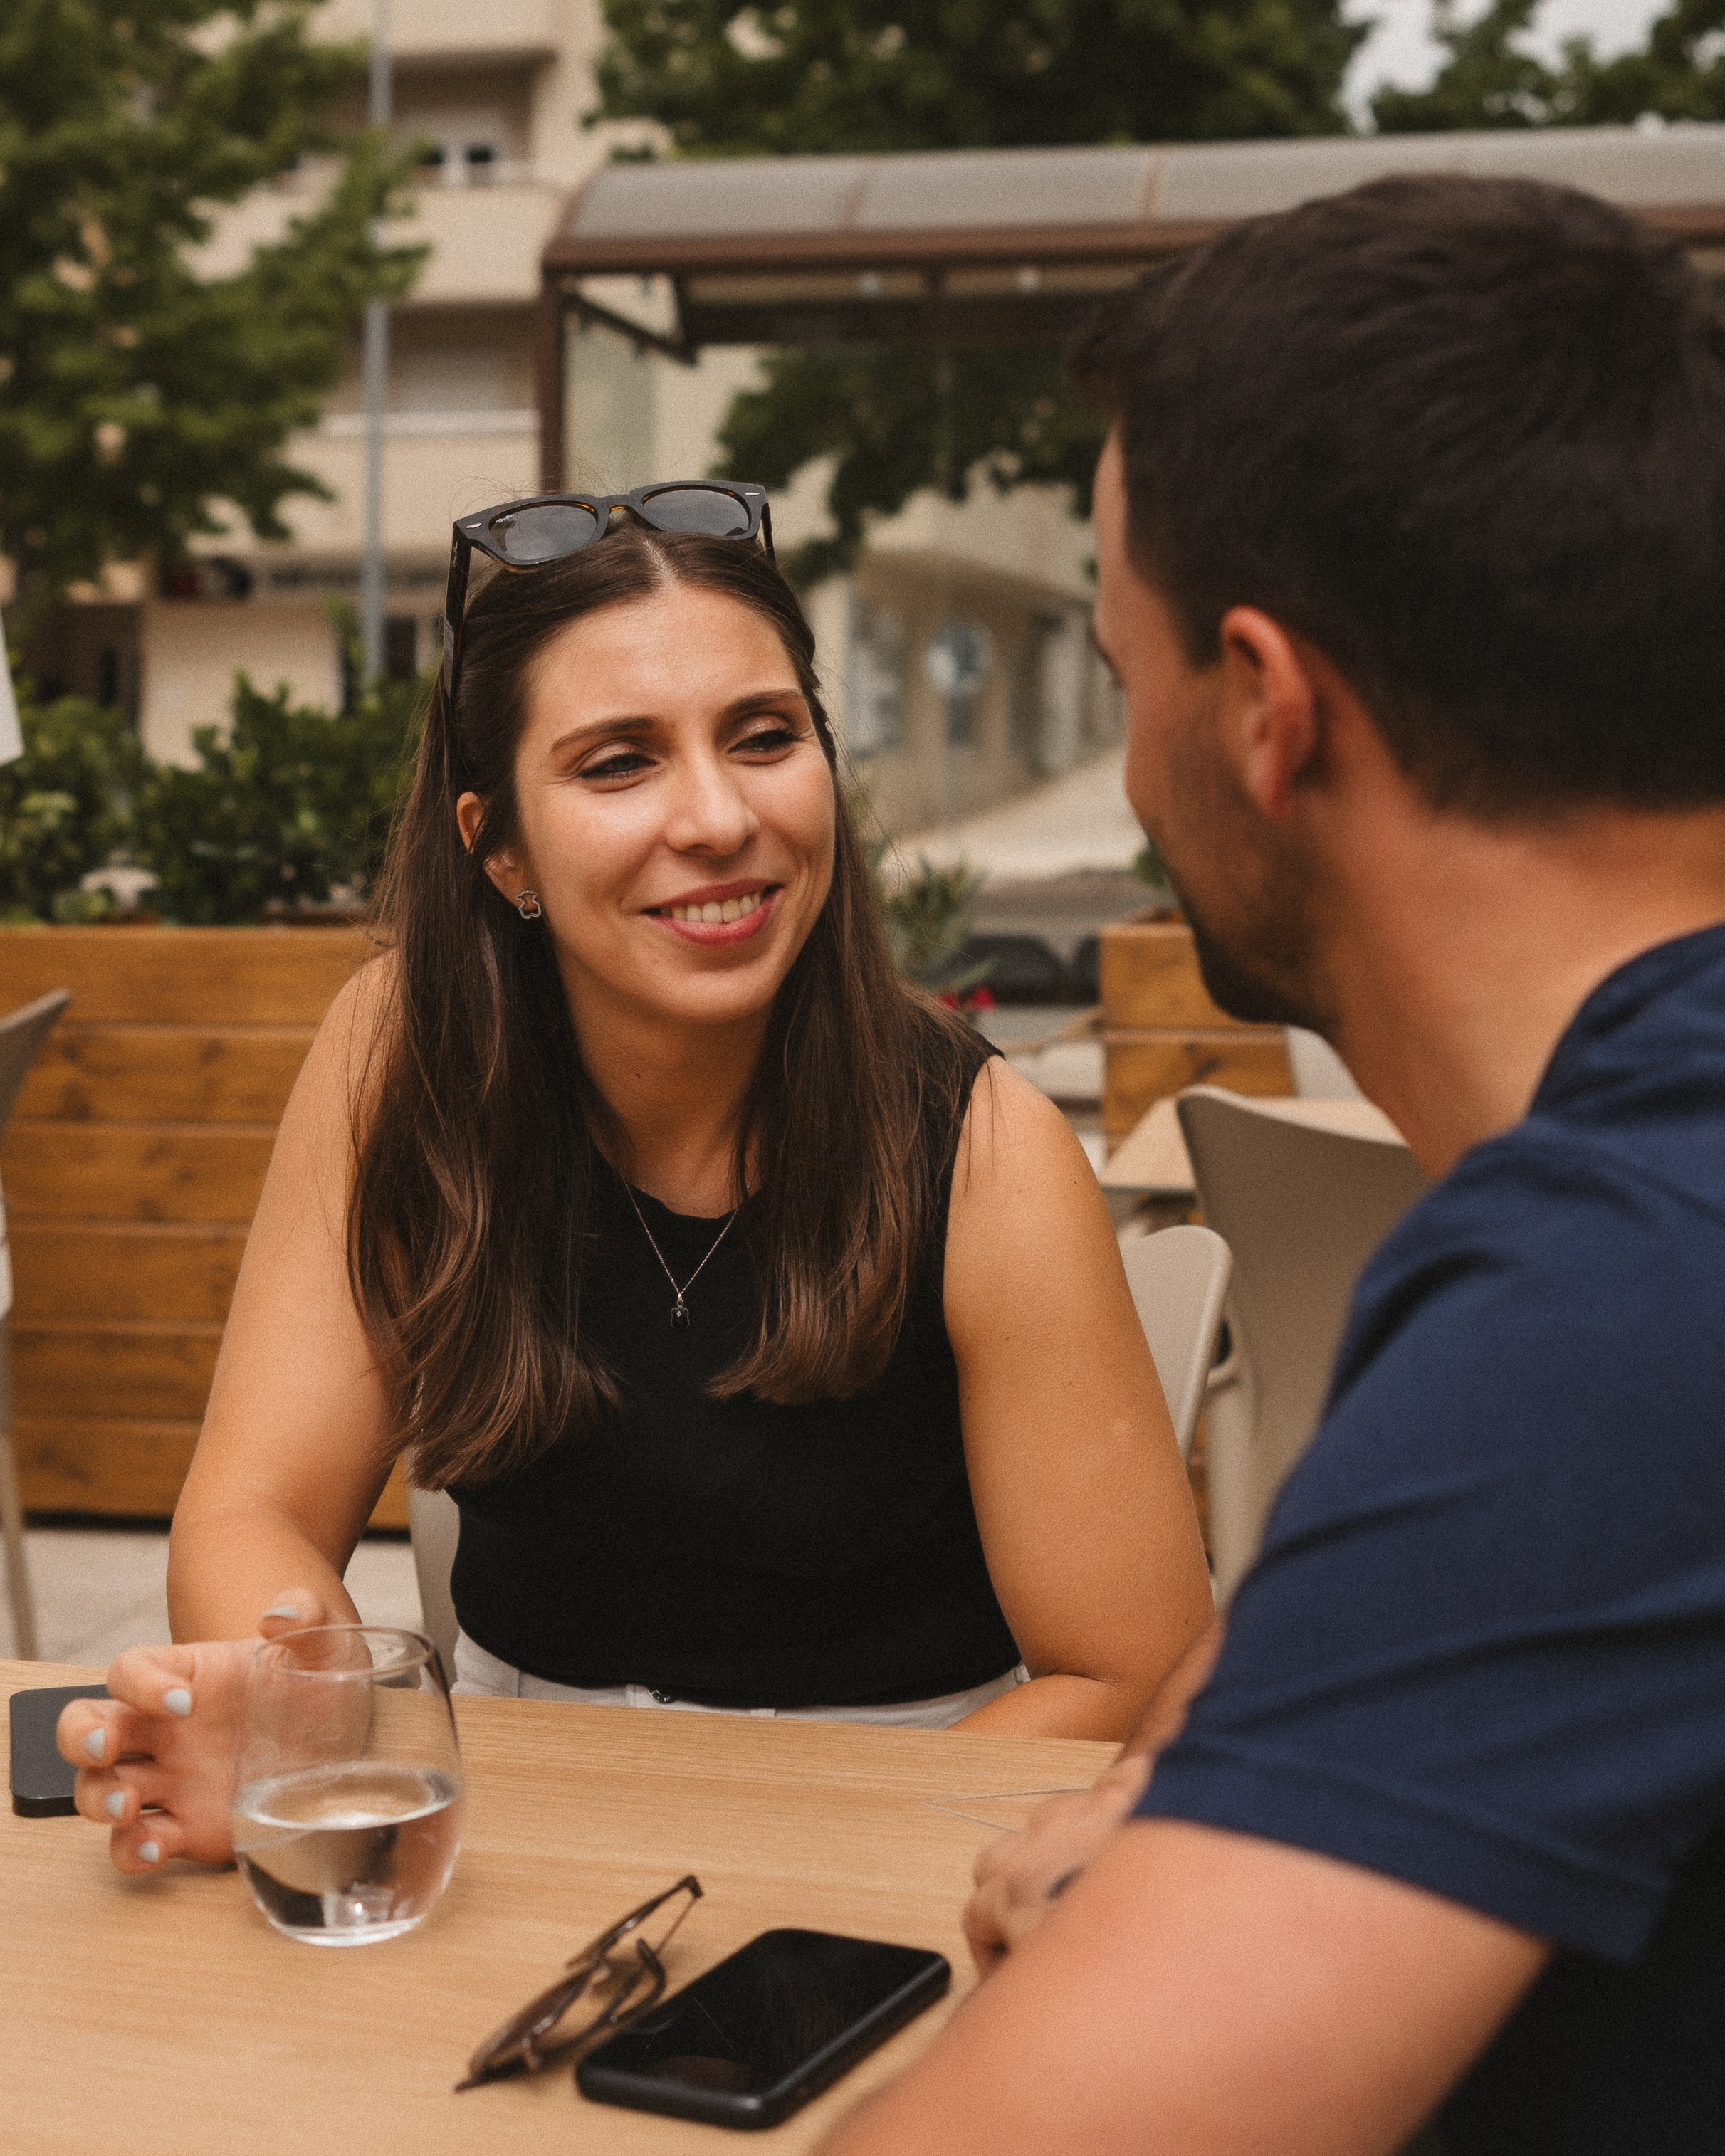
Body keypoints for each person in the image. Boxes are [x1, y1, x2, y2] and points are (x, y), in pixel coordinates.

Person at [822, 175, 1725, 2155]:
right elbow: (1248, 1703)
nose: (1130, 759)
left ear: (1265, 705)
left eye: (1124, 671)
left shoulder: (1622, 1284)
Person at [58, 486, 1212, 1872]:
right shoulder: (397, 1056)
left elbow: (1129, 1677)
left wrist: (729, 1851)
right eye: (620, 763)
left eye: (765, 738)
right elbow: (253, 1509)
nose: (720, 817)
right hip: (511, 1818)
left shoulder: (984, 1146)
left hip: (899, 1832)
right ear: (499, 848)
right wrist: (300, 1708)